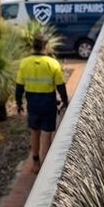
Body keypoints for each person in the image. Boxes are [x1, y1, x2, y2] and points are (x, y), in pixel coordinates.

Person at [15, 33, 68, 174]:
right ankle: (45, 166)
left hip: (32, 103)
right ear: (46, 46)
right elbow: (60, 85)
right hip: (48, 103)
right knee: (46, 134)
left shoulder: (24, 63)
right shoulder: (52, 63)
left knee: (34, 132)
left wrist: (19, 103)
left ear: (33, 46)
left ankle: (36, 162)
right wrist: (65, 101)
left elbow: (19, 87)